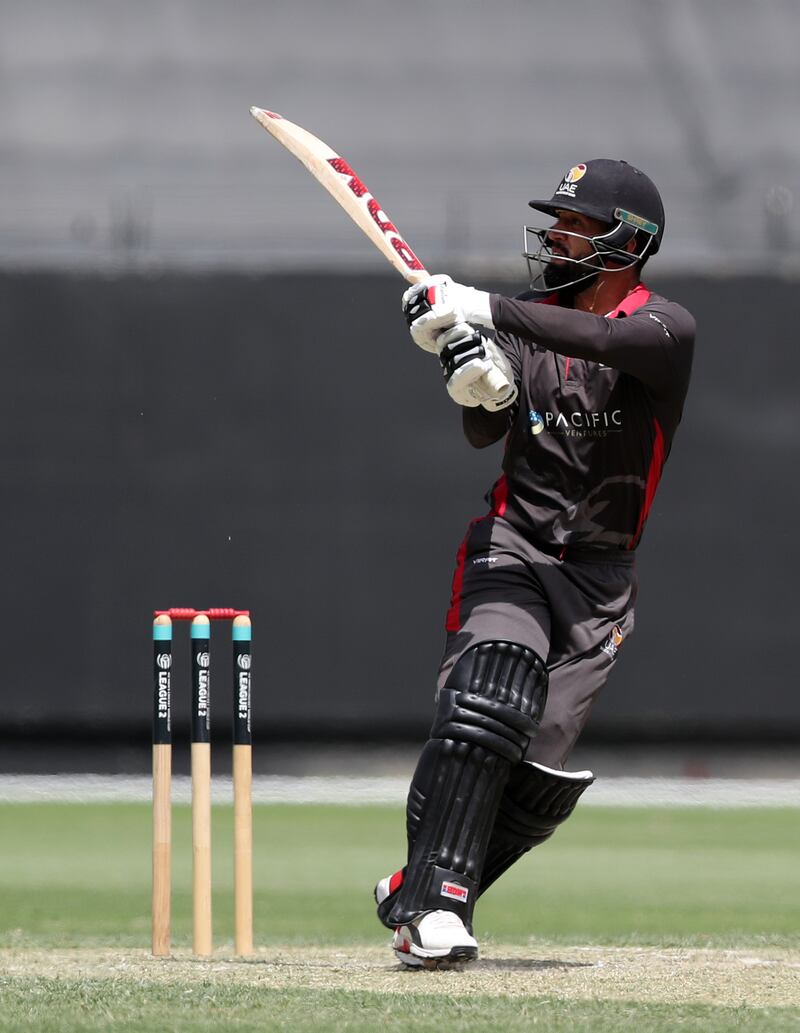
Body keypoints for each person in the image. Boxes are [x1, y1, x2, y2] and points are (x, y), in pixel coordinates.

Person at [373, 159, 696, 969]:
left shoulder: (664, 330)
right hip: (515, 546)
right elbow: (489, 429)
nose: (556, 234)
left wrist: (476, 306)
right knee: (491, 695)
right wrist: (476, 379)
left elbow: (598, 339)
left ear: (629, 241)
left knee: (539, 776)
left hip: (599, 582)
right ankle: (438, 907)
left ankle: (419, 884)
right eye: (557, 220)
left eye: (576, 223)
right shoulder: (529, 318)